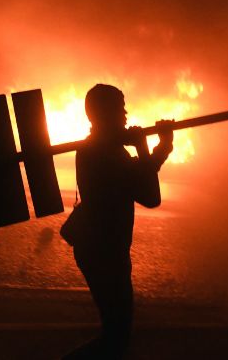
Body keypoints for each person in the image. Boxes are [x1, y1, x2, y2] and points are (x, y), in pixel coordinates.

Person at [65, 84, 174, 359]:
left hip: (99, 249)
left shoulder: (99, 149)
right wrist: (143, 146)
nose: (125, 114)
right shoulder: (105, 154)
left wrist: (162, 148)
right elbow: (149, 195)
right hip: (104, 253)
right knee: (116, 337)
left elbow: (138, 177)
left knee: (116, 334)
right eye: (119, 108)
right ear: (104, 113)